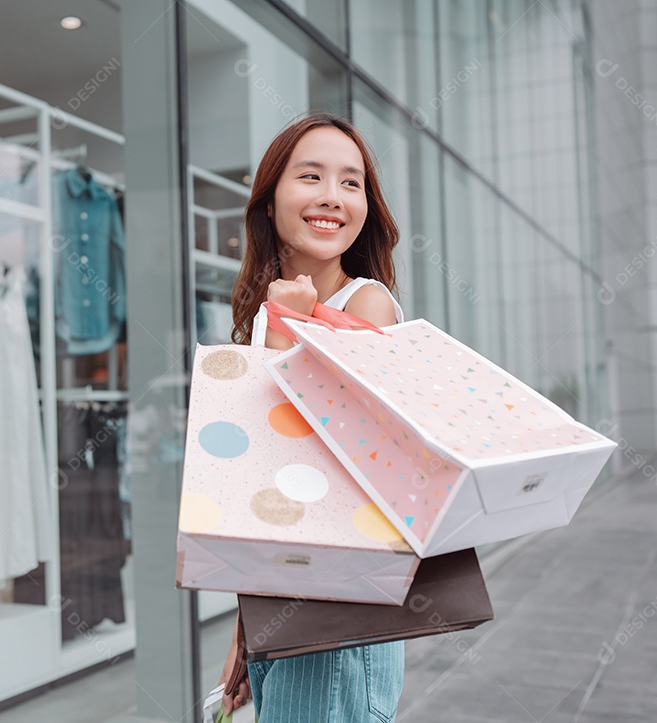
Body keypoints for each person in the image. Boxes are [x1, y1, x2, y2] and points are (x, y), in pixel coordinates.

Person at [221, 111, 406, 722]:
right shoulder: (260, 316)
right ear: (270, 201)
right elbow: (263, 485)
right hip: (283, 595)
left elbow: (322, 459)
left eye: (351, 183)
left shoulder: (367, 305)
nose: (333, 197)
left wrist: (293, 327)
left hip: (339, 609)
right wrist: (245, 631)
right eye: (311, 176)